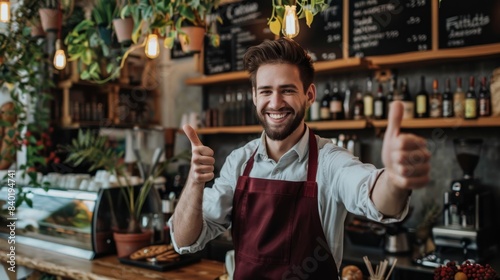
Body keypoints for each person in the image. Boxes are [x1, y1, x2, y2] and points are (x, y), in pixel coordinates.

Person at [170, 37, 430, 279]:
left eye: (287, 90)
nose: (275, 102)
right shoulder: (238, 162)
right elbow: (184, 241)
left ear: (309, 95)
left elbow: (375, 197)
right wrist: (195, 182)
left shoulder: (330, 162)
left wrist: (395, 180)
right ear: (254, 96)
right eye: (265, 91)